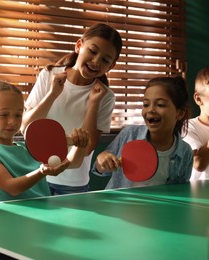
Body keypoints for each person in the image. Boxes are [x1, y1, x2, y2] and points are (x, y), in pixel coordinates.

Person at [21, 23, 123, 195]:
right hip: (36, 176)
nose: (96, 61)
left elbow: (88, 147)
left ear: (111, 66)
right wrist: (53, 94)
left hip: (73, 184)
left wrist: (93, 103)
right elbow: (26, 127)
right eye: (93, 51)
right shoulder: (49, 75)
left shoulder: (105, 97)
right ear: (79, 46)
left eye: (105, 60)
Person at [0, 80, 89, 203]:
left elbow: (72, 163)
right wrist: (42, 172)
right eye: (4, 114)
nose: (12, 121)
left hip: (42, 214)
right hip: (6, 219)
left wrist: (80, 144)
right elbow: (12, 187)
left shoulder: (27, 147)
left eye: (18, 115)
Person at [92, 76, 193, 189]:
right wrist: (101, 160)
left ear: (180, 113)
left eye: (160, 104)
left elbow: (180, 191)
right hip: (120, 205)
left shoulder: (185, 152)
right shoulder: (129, 134)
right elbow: (99, 169)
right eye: (146, 104)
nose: (150, 110)